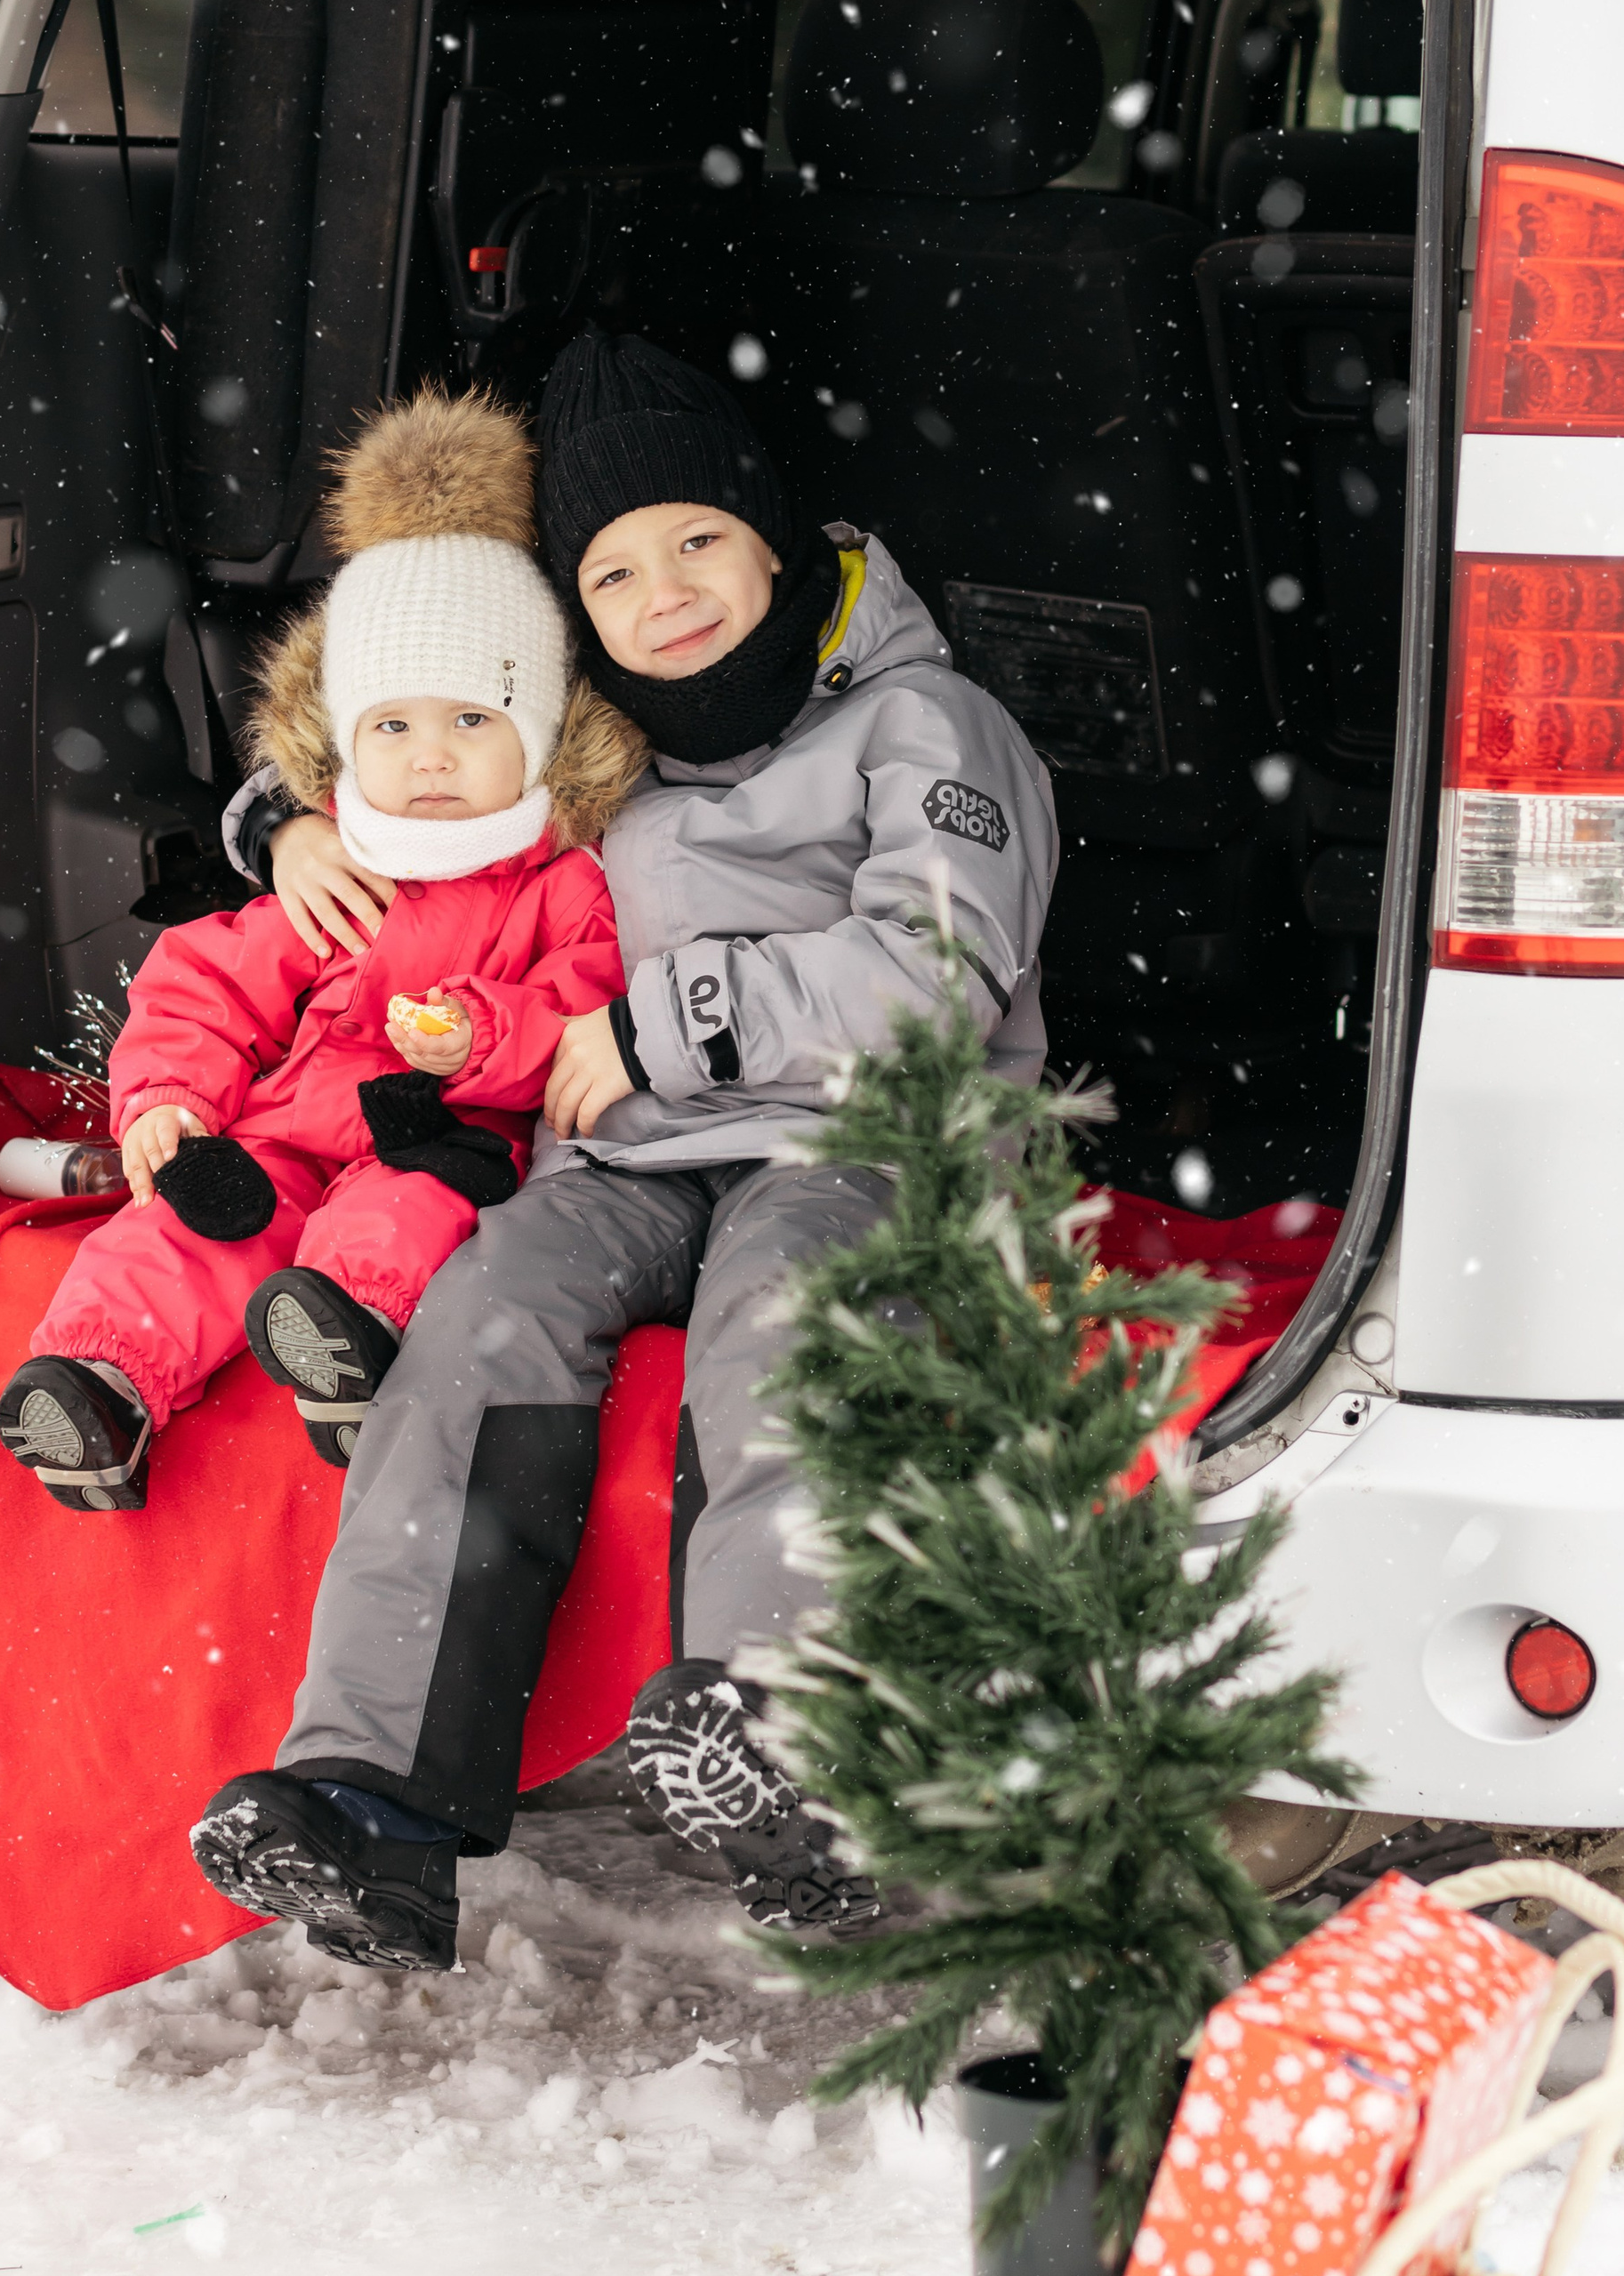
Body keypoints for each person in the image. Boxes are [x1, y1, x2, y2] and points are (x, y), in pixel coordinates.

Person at [189, 331, 1057, 1974]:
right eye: (611, 571)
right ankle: (377, 1800)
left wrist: (672, 1025)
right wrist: (287, 823)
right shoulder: (611, 755)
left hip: (863, 1137)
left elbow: (936, 970)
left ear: (775, 540)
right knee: (483, 1311)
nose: (666, 593)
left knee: (788, 1322)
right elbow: (425, 762)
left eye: (699, 543)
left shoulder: (924, 725)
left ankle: (791, 1735)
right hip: (632, 1158)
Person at [0, 389, 639, 1508]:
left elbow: (578, 1010)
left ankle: (347, 1340)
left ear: (536, 735)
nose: (429, 759)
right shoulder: (337, 858)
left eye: (471, 723)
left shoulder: (565, 880)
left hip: (443, 1125)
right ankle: (100, 1380)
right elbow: (205, 982)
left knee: (408, 1208)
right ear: (345, 739)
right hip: (289, 1120)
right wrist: (168, 1099)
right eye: (392, 725)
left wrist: (481, 1036)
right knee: (200, 1218)